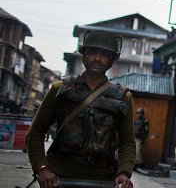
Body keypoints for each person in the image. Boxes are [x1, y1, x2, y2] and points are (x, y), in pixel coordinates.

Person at [25, 31, 136, 188]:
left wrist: (124, 173)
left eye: (104, 54)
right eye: (92, 52)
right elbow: (35, 132)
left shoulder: (123, 97)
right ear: (84, 56)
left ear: (111, 60)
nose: (97, 58)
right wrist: (42, 168)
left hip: (102, 179)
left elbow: (127, 142)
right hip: (59, 178)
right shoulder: (60, 89)